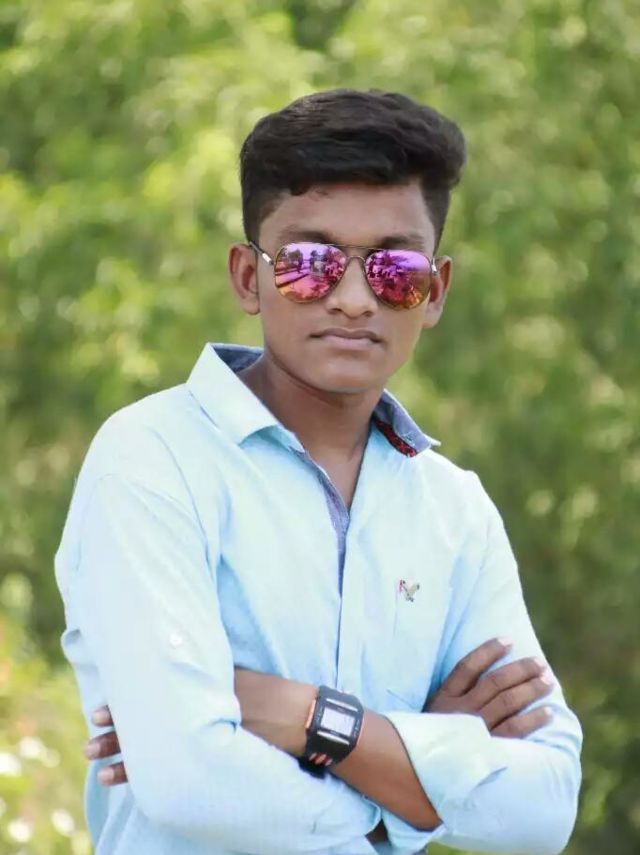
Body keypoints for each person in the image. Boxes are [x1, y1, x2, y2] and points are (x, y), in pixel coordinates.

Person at [55, 89, 582, 855]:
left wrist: (305, 716)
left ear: (435, 291)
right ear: (248, 278)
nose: (355, 299)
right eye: (310, 263)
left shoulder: (455, 511)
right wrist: (408, 785)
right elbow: (187, 782)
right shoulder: (152, 460)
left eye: (395, 268)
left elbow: (544, 806)